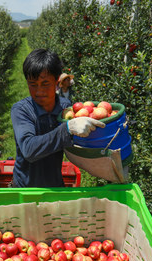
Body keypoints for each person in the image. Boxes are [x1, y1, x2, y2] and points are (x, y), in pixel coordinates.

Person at [10, 49, 104, 187]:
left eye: (45, 84)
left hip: (55, 187)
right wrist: (67, 130)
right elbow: (28, 149)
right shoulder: (21, 110)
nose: (39, 91)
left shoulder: (65, 108)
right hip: (24, 189)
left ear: (57, 81)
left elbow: (77, 145)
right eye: (33, 84)